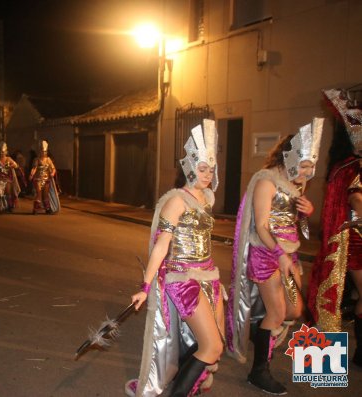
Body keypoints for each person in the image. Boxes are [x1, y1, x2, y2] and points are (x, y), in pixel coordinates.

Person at [126, 119, 223, 397]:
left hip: (206, 276)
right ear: (190, 167)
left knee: (207, 344)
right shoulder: (176, 201)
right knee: (211, 347)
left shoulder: (206, 199)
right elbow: (161, 246)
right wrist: (145, 287)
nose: (207, 174)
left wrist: (215, 278)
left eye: (211, 169)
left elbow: (204, 243)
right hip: (182, 279)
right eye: (202, 168)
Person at [227, 118, 323, 394]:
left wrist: (306, 214)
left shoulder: (296, 185)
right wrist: (279, 253)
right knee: (279, 312)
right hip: (266, 255)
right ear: (290, 157)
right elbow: (261, 225)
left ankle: (263, 331)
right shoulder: (266, 181)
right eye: (304, 165)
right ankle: (259, 372)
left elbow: (294, 225)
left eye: (310, 166)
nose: (307, 172)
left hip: (288, 255)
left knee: (294, 309)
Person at [308, 89, 362, 366]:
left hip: (350, 241)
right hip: (351, 244)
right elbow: (356, 200)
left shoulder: (345, 167)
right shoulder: (349, 168)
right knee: (334, 295)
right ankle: (323, 364)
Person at [0, 142, 21, 213]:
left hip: (7, 179)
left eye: (3, 152)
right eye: (1, 152)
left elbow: (16, 165)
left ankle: (10, 206)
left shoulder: (9, 159)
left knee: (8, 191)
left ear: (6, 152)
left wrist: (12, 165)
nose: (2, 153)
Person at [28, 140, 60, 214]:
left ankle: (47, 208)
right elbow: (34, 168)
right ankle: (35, 209)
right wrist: (31, 175)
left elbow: (53, 168)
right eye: (42, 151)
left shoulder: (48, 160)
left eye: (45, 152)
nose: (43, 153)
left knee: (45, 195)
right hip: (38, 179)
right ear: (40, 151)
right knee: (38, 194)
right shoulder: (37, 159)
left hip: (46, 180)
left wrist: (52, 173)